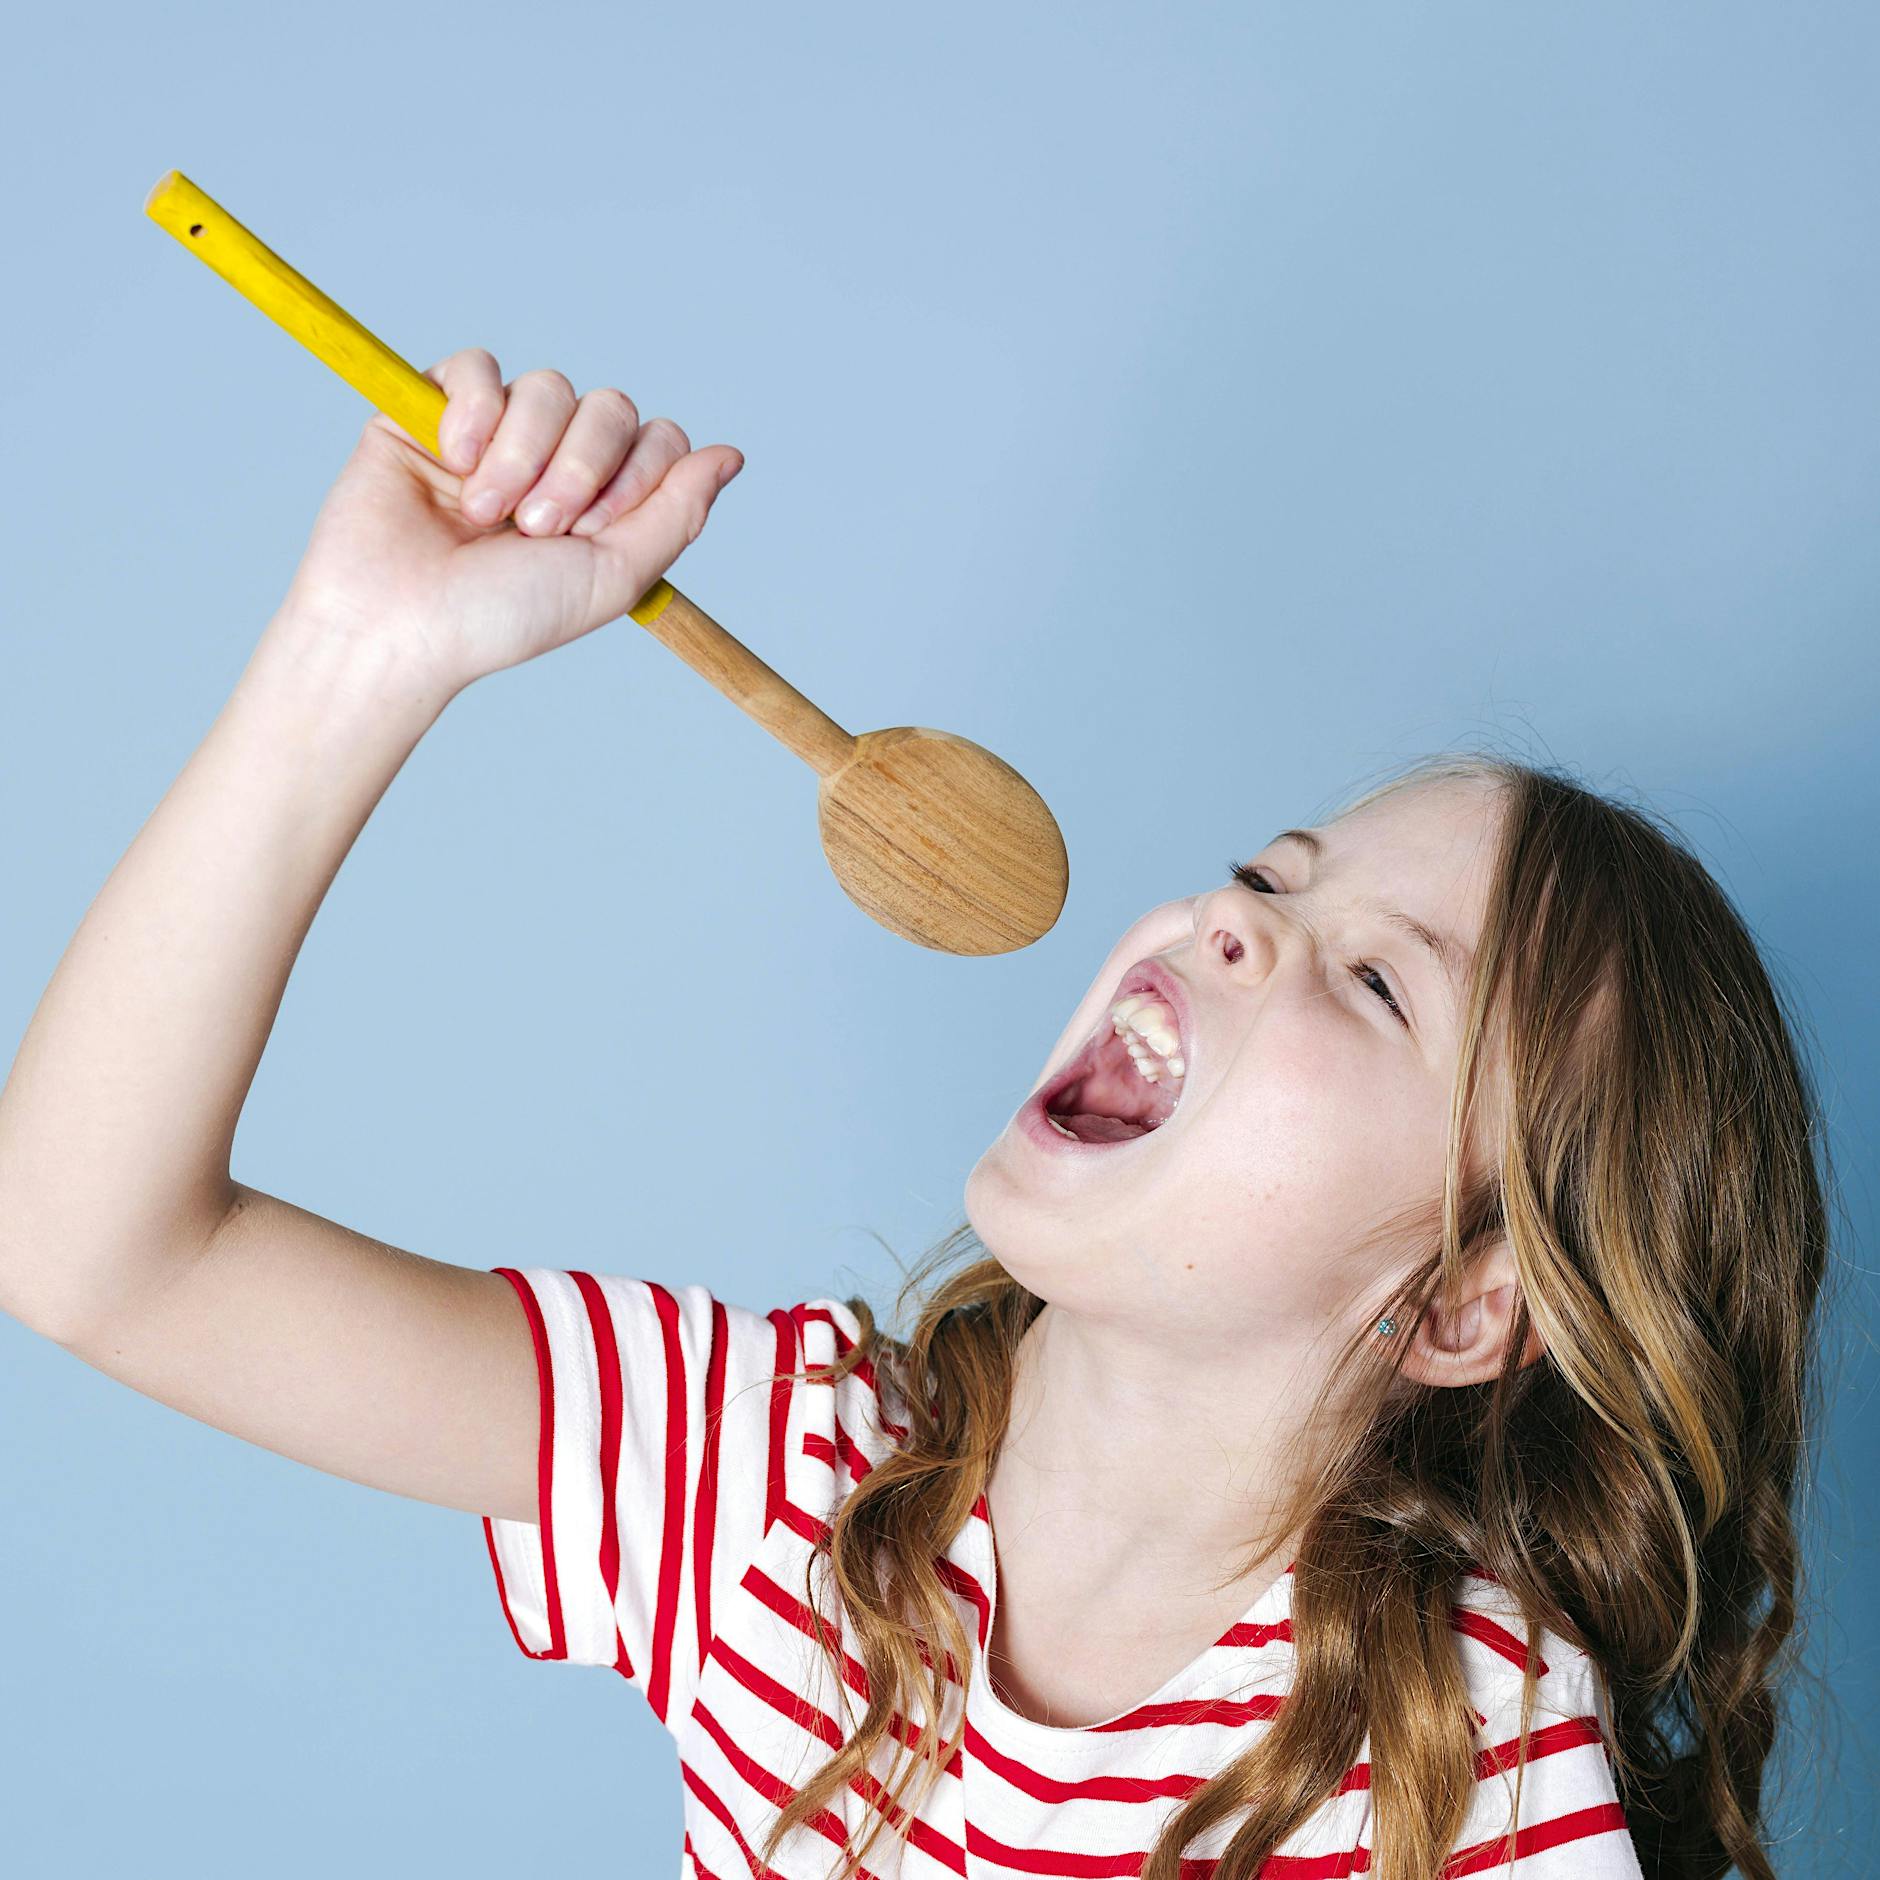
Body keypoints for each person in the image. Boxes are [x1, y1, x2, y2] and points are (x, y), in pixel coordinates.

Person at [0, 350, 1828, 1880]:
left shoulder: (1467, 1768)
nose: (1238, 919)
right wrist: (357, 653)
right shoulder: (771, 1477)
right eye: (1264, 876)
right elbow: (99, 1254)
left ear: (1460, 1303)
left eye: (1375, 981)